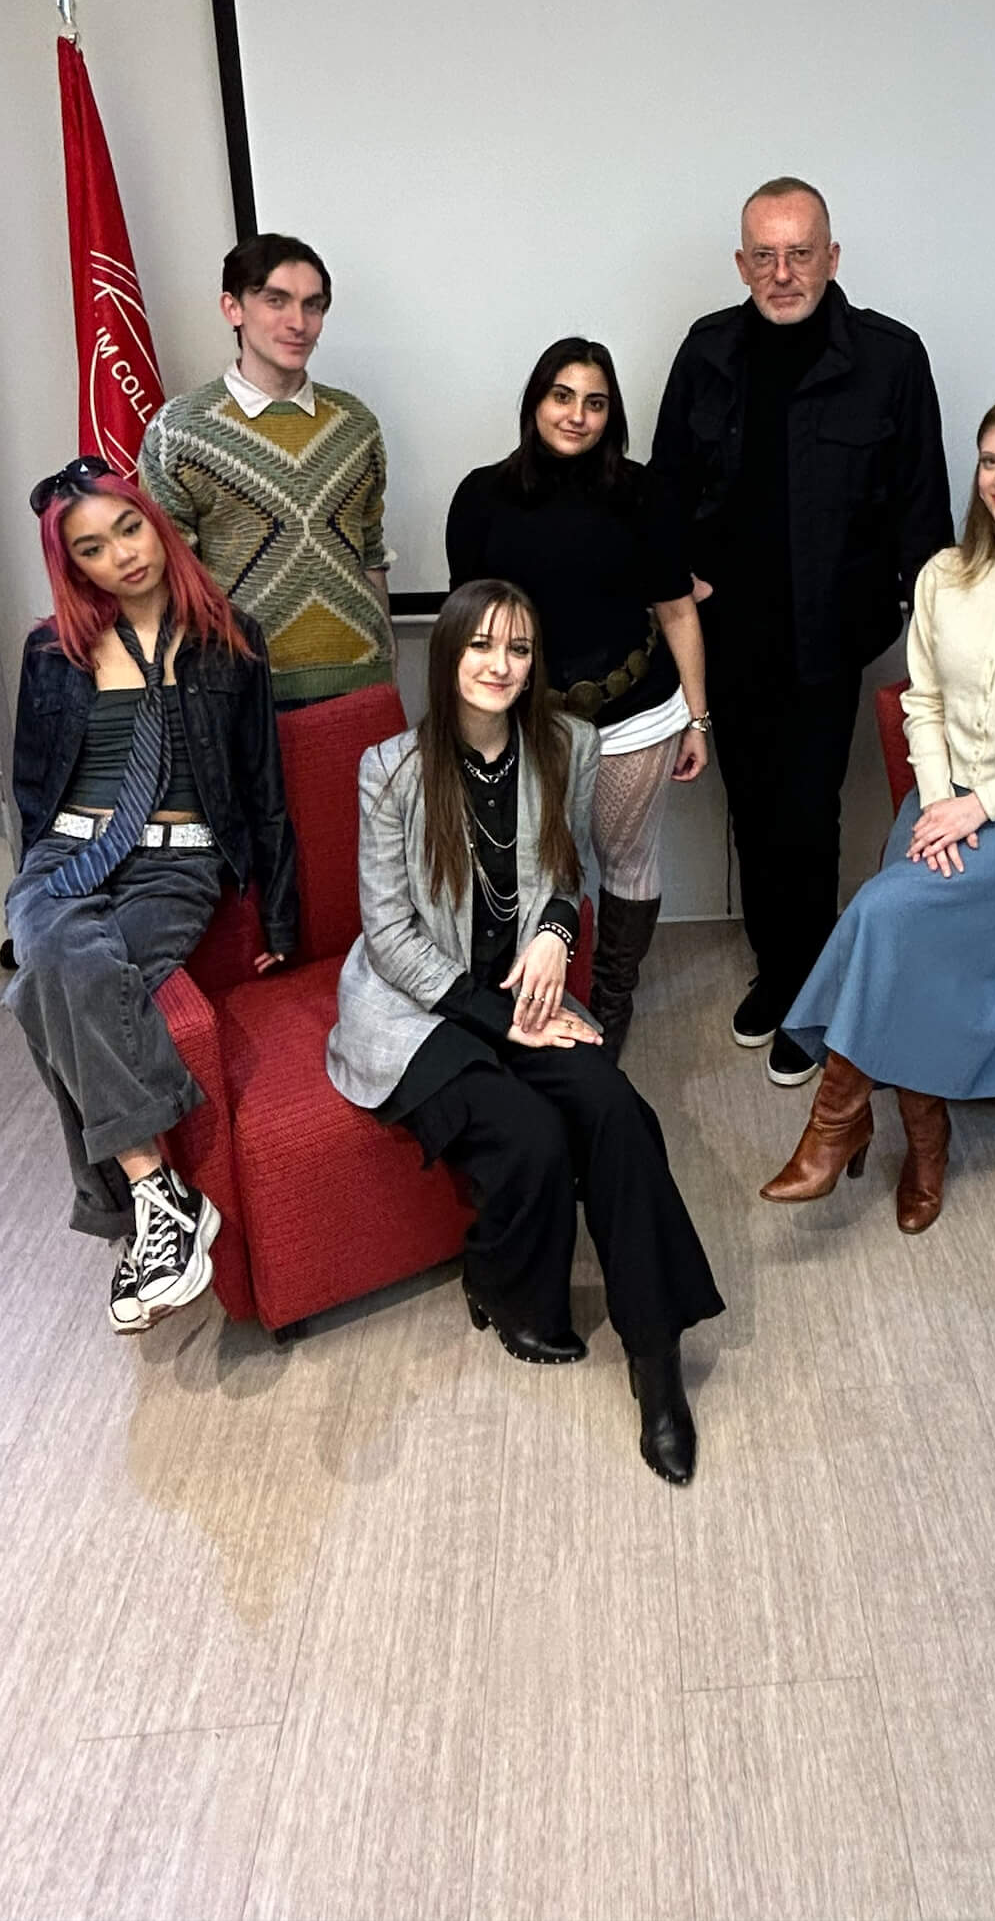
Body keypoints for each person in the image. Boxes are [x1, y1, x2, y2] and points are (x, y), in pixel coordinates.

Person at [325, 578, 724, 1484]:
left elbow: (564, 867)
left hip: (521, 994)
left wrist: (552, 931)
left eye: (518, 649)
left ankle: (656, 1368)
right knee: (531, 1134)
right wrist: (501, 1021)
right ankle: (503, 1286)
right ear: (449, 655)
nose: (500, 666)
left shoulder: (566, 744)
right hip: (419, 1005)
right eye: (480, 647)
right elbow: (388, 934)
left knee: (617, 1110)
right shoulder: (389, 770)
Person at [762, 392, 995, 1231]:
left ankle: (836, 1122)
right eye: (990, 459)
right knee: (910, 949)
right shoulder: (943, 575)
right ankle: (925, 1142)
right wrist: (938, 804)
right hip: (935, 805)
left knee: (882, 912)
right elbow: (919, 702)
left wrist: (980, 808)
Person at [650, 176, 951, 1085]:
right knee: (750, 811)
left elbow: (923, 509)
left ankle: (808, 993)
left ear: (831, 256)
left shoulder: (891, 359)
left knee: (807, 815)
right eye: (765, 256)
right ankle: (779, 974)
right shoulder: (706, 351)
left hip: (830, 635)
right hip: (727, 634)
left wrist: (926, 632)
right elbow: (666, 482)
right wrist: (675, 569)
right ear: (742, 263)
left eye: (801, 252)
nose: (783, 273)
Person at [3, 458, 298, 1334]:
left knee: (39, 986)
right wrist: (33, 893)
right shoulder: (50, 653)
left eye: (128, 529)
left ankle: (140, 1213)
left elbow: (264, 785)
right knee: (54, 945)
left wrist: (279, 912)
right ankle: (159, 1194)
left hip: (178, 860)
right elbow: (33, 787)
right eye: (91, 549)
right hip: (68, 849)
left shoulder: (231, 640)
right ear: (74, 567)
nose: (121, 556)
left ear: (155, 523)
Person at [446, 339, 709, 1062]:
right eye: (562, 396)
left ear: (611, 414)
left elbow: (678, 609)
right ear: (536, 402)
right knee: (531, 867)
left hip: (636, 716)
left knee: (624, 860)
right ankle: (536, 994)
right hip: (518, 725)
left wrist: (698, 716)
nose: (577, 415)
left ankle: (612, 996)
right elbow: (465, 631)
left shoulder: (644, 492)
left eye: (596, 402)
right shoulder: (480, 496)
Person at [139, 233, 395, 707]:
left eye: (313, 305)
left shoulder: (356, 423)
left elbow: (371, 553)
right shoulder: (179, 430)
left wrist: (388, 671)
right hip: (242, 695)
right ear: (233, 308)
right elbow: (167, 581)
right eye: (276, 301)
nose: (298, 322)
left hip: (361, 686)